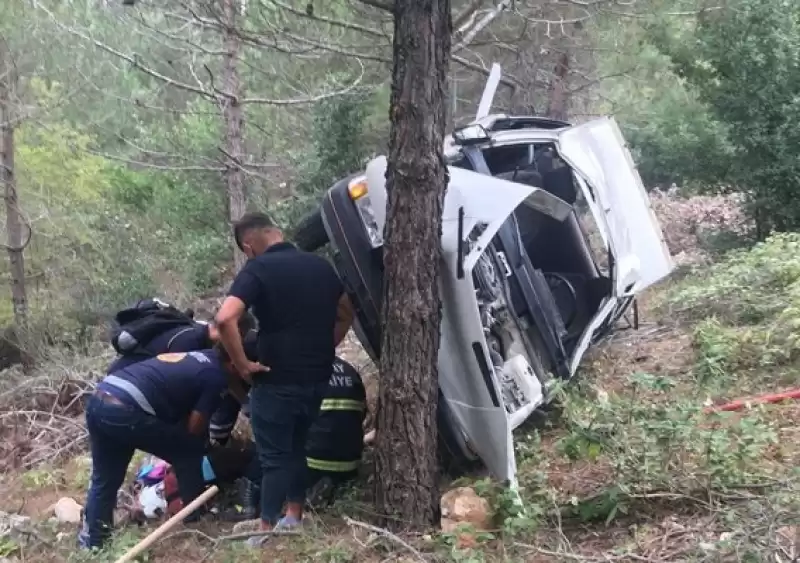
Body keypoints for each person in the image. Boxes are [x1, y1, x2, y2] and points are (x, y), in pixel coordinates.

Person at [214, 212, 354, 541]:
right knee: (295, 448)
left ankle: (264, 530)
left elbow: (224, 320)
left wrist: (243, 365)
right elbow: (347, 310)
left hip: (276, 380)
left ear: (249, 246)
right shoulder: (321, 267)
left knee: (274, 455)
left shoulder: (258, 269)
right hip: (317, 376)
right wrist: (328, 342)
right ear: (277, 232)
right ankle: (293, 516)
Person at [79, 346, 239, 549]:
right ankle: (195, 522)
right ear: (235, 363)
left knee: (105, 479)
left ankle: (95, 543)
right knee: (188, 452)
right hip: (124, 408)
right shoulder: (217, 377)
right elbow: (193, 427)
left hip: (100, 397)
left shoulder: (203, 356)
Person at [214, 355, 368, 521]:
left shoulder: (290, 367)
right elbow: (361, 414)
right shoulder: (349, 370)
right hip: (348, 465)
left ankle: (248, 504)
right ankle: (324, 486)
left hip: (309, 465)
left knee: (259, 450)